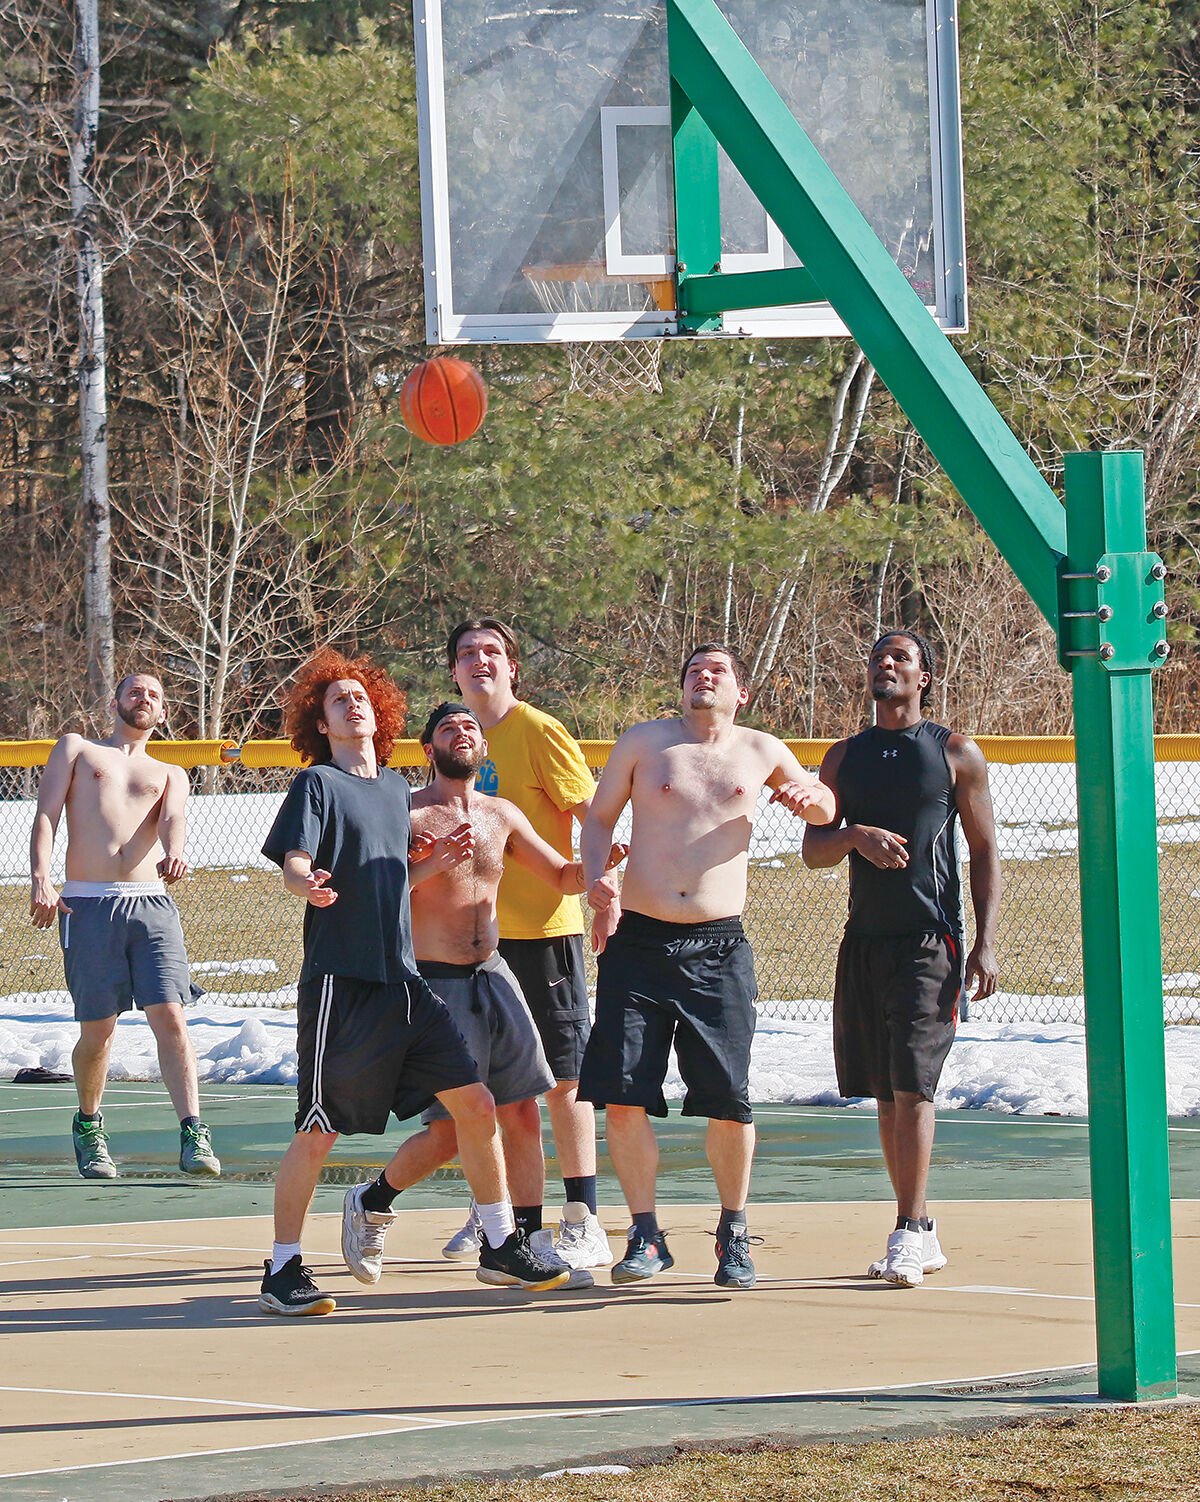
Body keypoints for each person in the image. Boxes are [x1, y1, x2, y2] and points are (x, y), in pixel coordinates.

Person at [258, 651, 568, 1317]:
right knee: (319, 1132)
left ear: (381, 712)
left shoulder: (397, 792)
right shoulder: (318, 785)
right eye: (337, 700)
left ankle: (498, 1242)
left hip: (405, 984)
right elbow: (295, 858)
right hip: (343, 984)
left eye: (361, 695)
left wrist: (434, 869)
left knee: (477, 1105)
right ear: (322, 720)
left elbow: (391, 882)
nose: (353, 704)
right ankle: (282, 1268)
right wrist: (302, 881)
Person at [339, 702, 624, 1291]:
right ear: (428, 749)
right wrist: (427, 866)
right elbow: (371, 890)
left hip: (493, 975)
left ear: (483, 748)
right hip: (433, 982)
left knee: (522, 1109)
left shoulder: (502, 814)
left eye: (470, 727)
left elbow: (560, 876)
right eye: (447, 727)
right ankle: (372, 1200)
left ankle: (522, 1243)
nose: (461, 733)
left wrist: (598, 871)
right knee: (452, 1129)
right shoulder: (405, 810)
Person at [578, 643, 836, 1288]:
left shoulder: (761, 749)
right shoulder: (645, 743)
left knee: (728, 1100)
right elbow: (599, 817)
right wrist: (595, 881)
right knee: (624, 1095)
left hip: (718, 948)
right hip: (639, 942)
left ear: (739, 692)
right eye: (694, 668)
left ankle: (733, 1229)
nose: (705, 675)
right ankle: (644, 1233)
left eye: (718, 669)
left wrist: (811, 799)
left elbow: (825, 807)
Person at [802, 630, 1001, 1287]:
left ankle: (909, 1230)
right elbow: (813, 851)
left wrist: (985, 942)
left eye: (900, 659)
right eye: (877, 659)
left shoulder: (952, 752)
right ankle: (920, 1226)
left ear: (924, 678)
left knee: (914, 1084)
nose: (885, 666)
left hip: (929, 943)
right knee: (886, 1093)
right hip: (866, 942)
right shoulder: (842, 758)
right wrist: (852, 835)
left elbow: (985, 850)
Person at [442, 617, 614, 1274]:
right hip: (476, 946)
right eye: (466, 654)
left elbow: (591, 816)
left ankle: (583, 1217)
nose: (479, 661)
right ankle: (506, 1213)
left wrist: (605, 892)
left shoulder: (539, 732)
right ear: (453, 671)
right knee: (490, 1088)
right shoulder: (457, 744)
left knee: (563, 1080)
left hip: (545, 934)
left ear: (513, 666)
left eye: (492, 652)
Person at [29, 672, 220, 1181]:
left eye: (154, 696)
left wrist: (177, 853)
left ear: (162, 714)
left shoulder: (171, 772)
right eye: (135, 691)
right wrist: (42, 878)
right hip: (88, 904)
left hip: (151, 905)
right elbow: (46, 815)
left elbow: (173, 819)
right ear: (114, 701)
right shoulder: (78, 750)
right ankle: (89, 1126)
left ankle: (193, 1130)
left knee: (171, 1017)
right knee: (100, 1029)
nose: (145, 699)